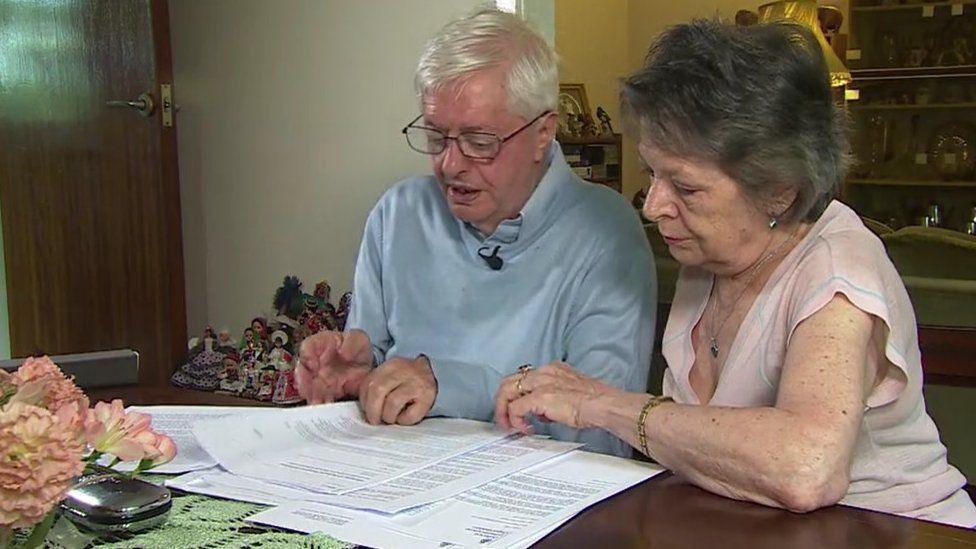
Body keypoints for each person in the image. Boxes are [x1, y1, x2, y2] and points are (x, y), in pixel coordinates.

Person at [494, 19, 976, 526]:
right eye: (654, 174)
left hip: (895, 535)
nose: (655, 205)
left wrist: (606, 406)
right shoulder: (716, 255)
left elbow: (807, 467)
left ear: (779, 190)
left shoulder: (837, 270)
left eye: (686, 187)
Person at [295, 9, 655, 456]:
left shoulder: (607, 234)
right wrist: (358, 375)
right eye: (435, 136)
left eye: (480, 142)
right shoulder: (398, 214)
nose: (450, 164)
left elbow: (603, 434)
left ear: (543, 132)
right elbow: (374, 372)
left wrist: (446, 381)